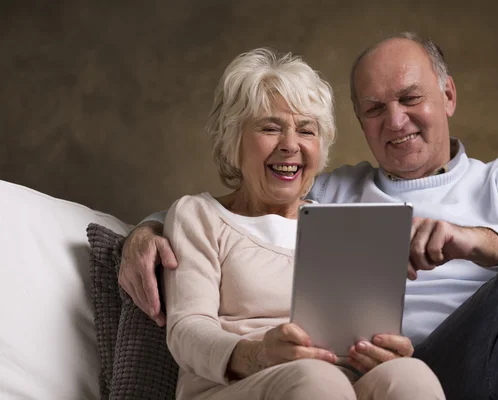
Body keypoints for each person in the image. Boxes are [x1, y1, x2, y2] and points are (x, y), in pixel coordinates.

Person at [120, 33, 498, 399]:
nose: (395, 121)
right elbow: (243, 207)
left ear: (448, 96)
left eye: (411, 99)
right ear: (358, 120)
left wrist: (471, 240)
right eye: (374, 109)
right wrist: (144, 231)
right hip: (403, 365)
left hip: (470, 358)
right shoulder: (334, 194)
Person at [158, 47, 445, 400]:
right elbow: (187, 329)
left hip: (340, 381)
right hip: (234, 386)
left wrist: (383, 351)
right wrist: (258, 354)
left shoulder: (339, 222)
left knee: (411, 375)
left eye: (306, 131)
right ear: (233, 140)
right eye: (270, 127)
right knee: (316, 382)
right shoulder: (199, 216)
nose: (290, 145)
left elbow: (362, 331)